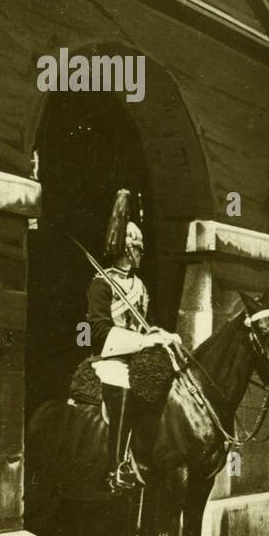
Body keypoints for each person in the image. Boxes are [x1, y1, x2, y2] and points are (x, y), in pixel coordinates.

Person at [86, 188, 180, 494]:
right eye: (138, 249)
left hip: (138, 356)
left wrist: (161, 335)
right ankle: (117, 468)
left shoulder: (139, 285)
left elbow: (147, 324)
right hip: (111, 359)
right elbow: (99, 332)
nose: (141, 254)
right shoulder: (101, 283)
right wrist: (144, 342)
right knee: (124, 385)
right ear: (128, 249)